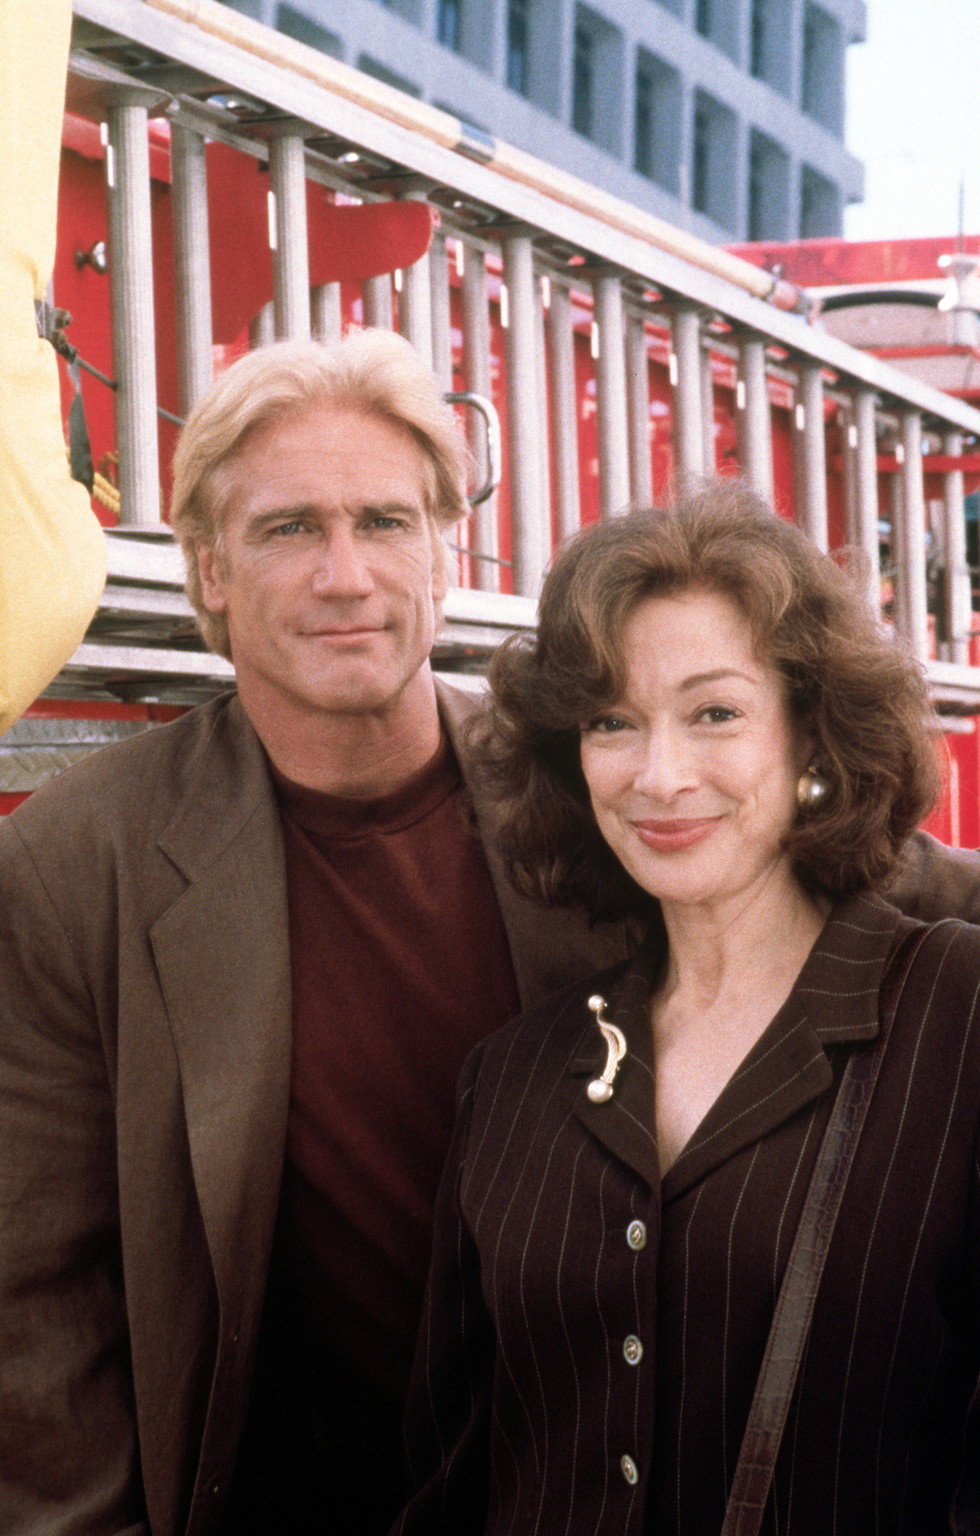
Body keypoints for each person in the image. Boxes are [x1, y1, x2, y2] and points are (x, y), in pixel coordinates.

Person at [0, 337, 974, 1536]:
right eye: (289, 529)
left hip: (559, 1470)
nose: (346, 575)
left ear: (445, 551)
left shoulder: (575, 791)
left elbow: (860, 866)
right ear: (208, 568)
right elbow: (33, 1303)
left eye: (385, 521)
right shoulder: (76, 862)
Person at [396, 487, 980, 1536]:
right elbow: (455, 1473)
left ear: (811, 738)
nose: (659, 777)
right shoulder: (512, 1076)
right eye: (612, 722)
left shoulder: (958, 1014)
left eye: (714, 713)